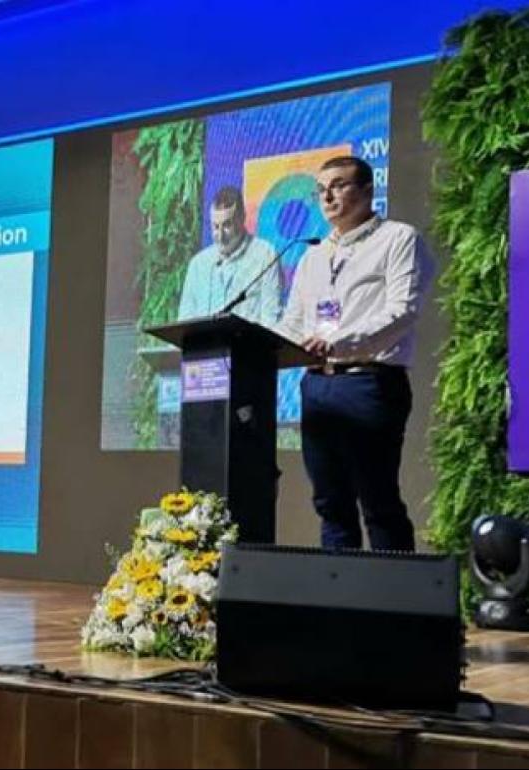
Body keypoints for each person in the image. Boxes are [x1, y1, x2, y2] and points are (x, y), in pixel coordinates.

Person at [280, 156, 434, 552]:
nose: (327, 196)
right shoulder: (312, 255)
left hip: (369, 383)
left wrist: (339, 342)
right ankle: (339, 605)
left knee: (378, 502)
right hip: (317, 387)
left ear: (367, 190)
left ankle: (395, 609)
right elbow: (294, 320)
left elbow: (402, 310)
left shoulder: (398, 238)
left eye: (338, 185)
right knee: (331, 505)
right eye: (320, 190)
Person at [177, 186, 281, 327]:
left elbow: (271, 321)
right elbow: (185, 323)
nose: (220, 236)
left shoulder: (265, 255)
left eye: (227, 225)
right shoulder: (198, 265)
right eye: (215, 227)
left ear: (242, 218)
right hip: (206, 347)